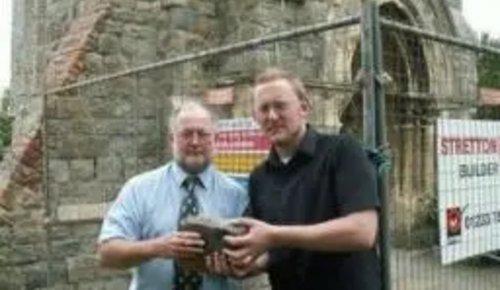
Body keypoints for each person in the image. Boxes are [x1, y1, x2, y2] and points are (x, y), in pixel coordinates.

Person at [222, 67, 381, 290]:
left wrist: (275, 236)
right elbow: (272, 250)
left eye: (280, 106)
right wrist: (243, 264)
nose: (272, 116)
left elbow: (362, 231)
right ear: (255, 117)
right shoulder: (260, 178)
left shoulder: (343, 151)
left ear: (304, 107)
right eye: (264, 108)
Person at [97, 99, 249, 290]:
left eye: (202, 134)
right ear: (172, 139)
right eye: (186, 134)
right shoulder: (138, 189)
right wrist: (158, 247)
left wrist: (233, 265)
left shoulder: (237, 195)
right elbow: (107, 254)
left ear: (215, 139)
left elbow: (254, 259)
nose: (195, 142)